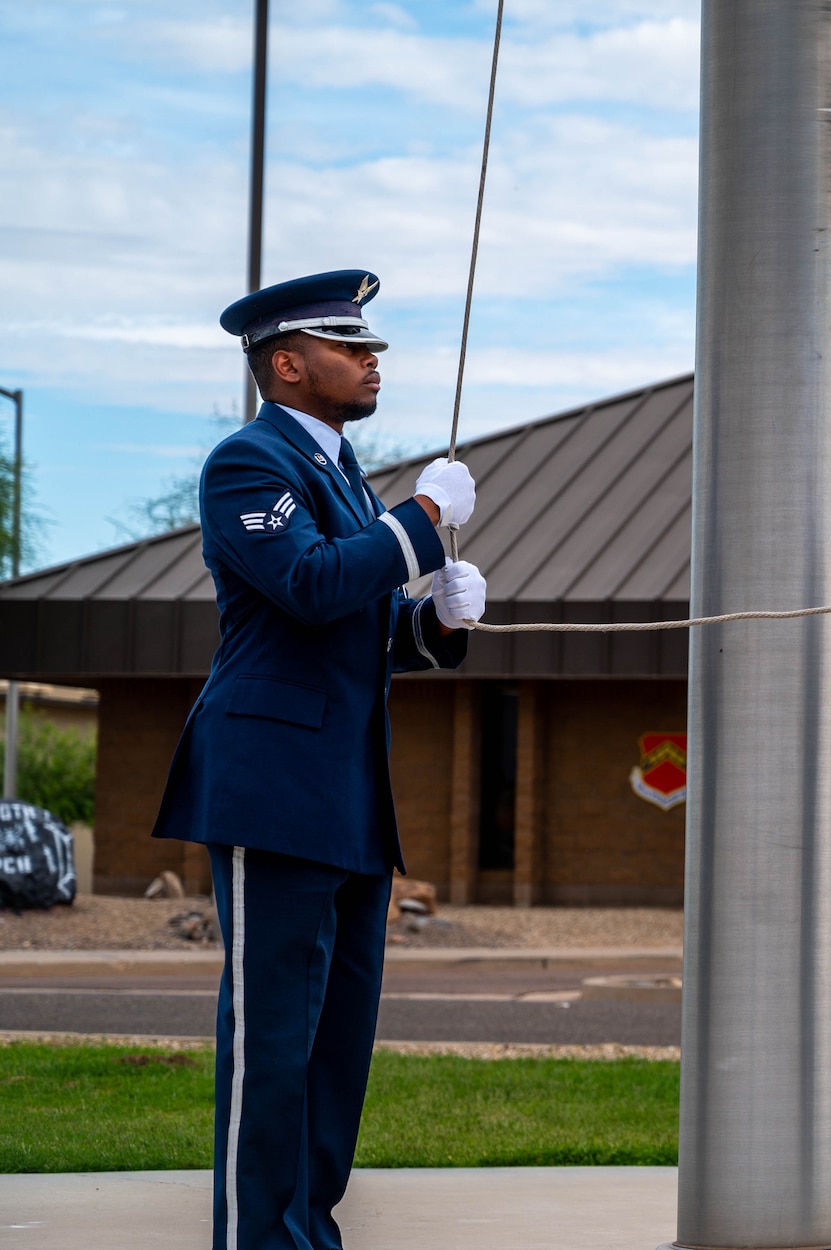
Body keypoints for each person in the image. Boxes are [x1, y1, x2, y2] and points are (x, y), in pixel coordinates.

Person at [152, 269, 487, 1250]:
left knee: (337, 1047)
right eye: (350, 346)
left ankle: (309, 1233)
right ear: (286, 363)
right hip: (272, 785)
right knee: (273, 1045)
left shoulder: (345, 480)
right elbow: (305, 584)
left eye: (372, 344)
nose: (372, 357)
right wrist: (420, 522)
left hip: (346, 791)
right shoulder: (247, 465)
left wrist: (435, 620)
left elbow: (364, 626)